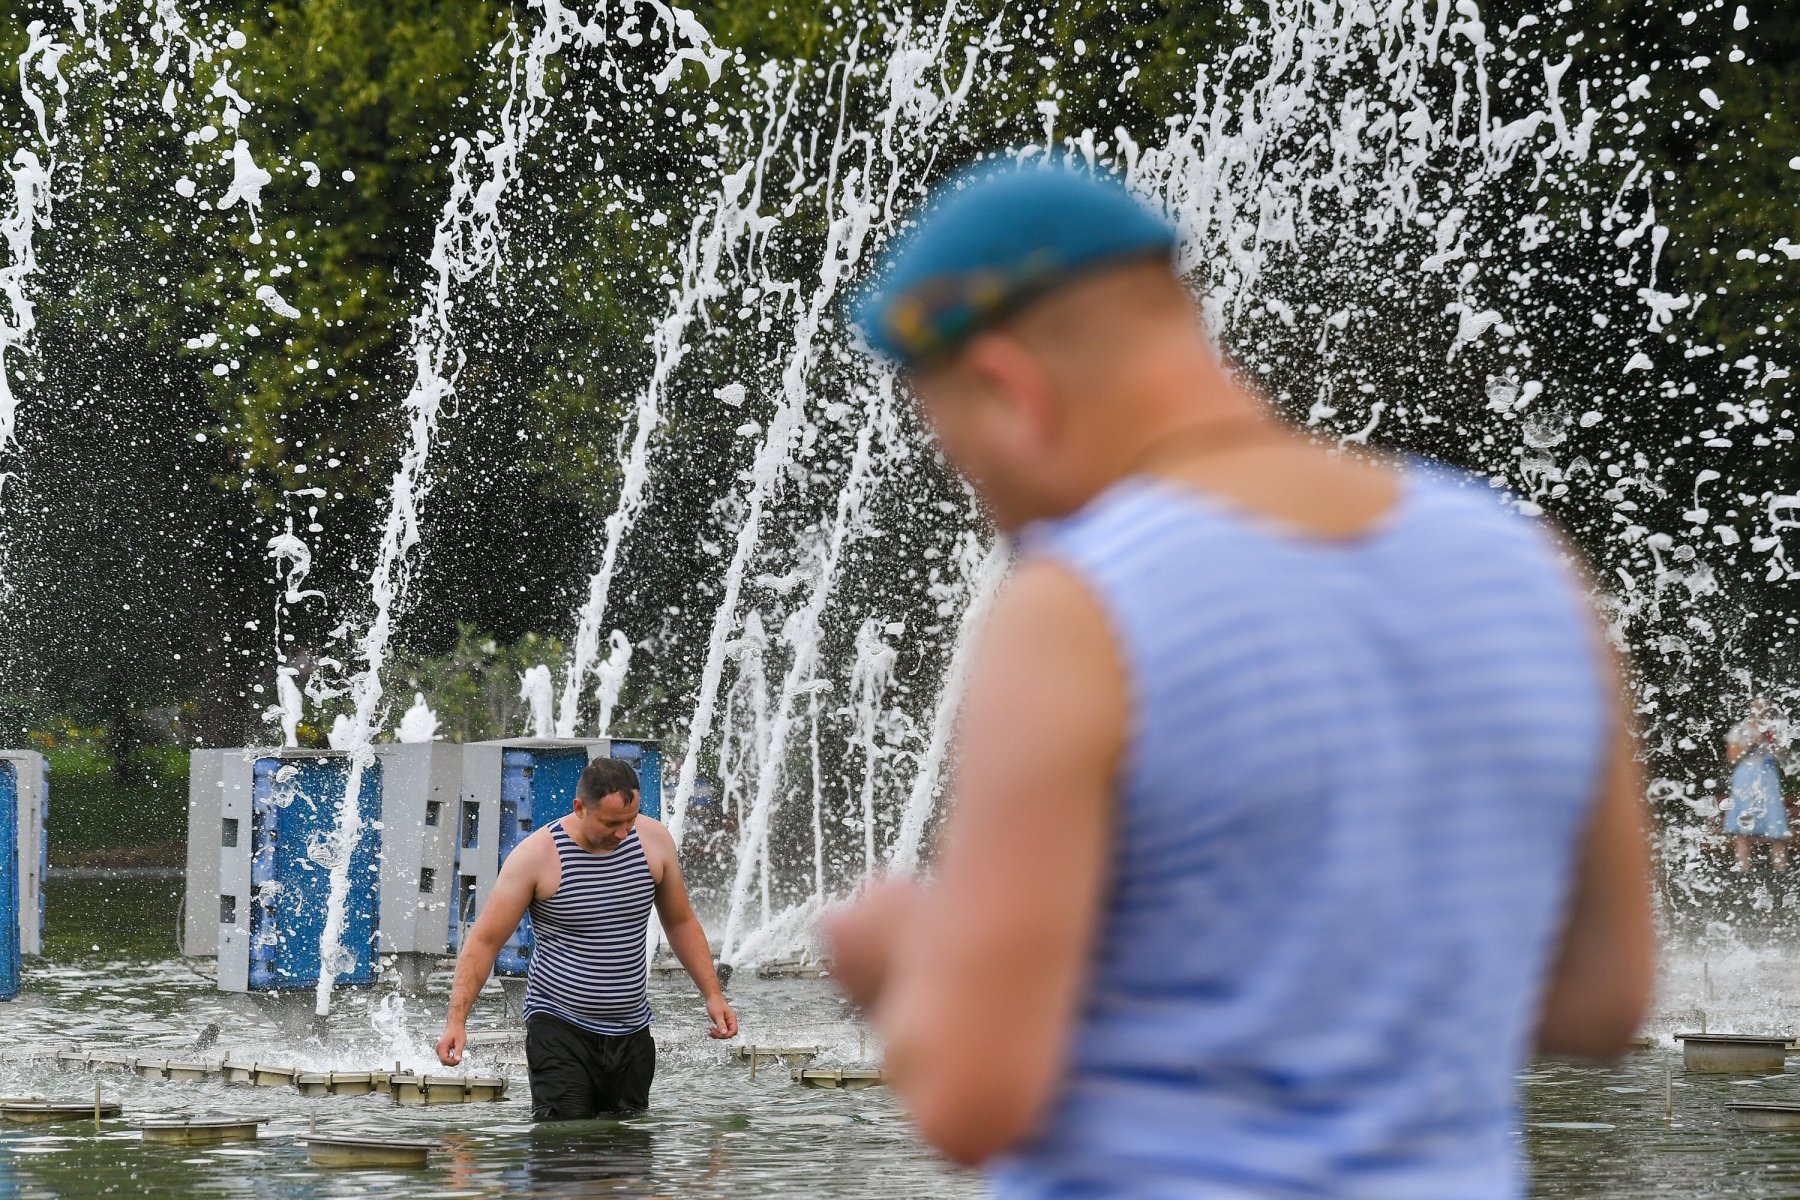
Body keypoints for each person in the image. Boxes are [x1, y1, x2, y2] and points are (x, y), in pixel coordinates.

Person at [825, 165, 1654, 1197]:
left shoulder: (1081, 605)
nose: (995, 511)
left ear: (1010, 387)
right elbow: (1607, 1001)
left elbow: (975, 1099)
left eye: (966, 461)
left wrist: (901, 959)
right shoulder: (1525, 565)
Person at [436, 757, 738, 1120]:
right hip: (559, 1029)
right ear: (579, 808)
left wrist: (713, 994)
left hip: (632, 1031)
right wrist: (457, 1020)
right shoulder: (537, 857)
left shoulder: (654, 841)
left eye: (630, 820)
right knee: (566, 1150)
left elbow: (681, 923)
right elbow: (484, 942)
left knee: (629, 1154)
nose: (623, 833)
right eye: (611, 823)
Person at [1725, 696, 1789, 872]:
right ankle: (1742, 870)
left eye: (1765, 708)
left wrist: (1775, 742)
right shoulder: (1740, 729)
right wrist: (1752, 742)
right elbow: (1732, 758)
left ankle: (1780, 871)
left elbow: (1783, 757)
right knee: (1743, 828)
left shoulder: (1774, 729)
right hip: (1746, 777)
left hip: (1768, 777)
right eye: (1758, 707)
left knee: (1776, 825)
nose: (1762, 711)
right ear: (1751, 709)